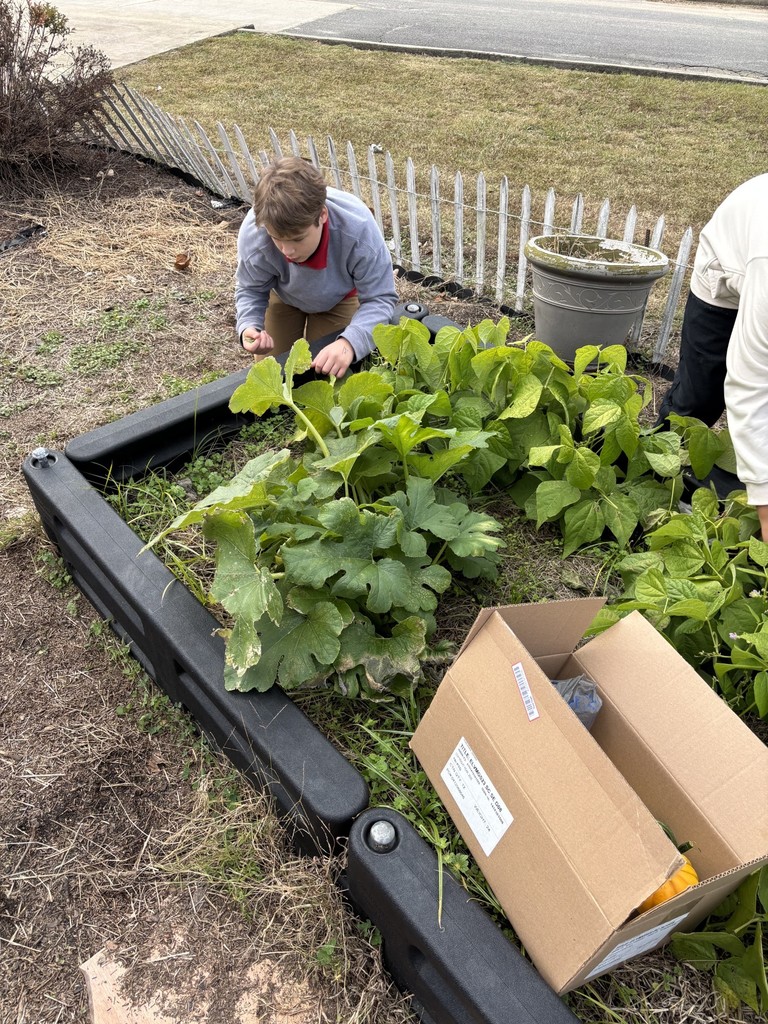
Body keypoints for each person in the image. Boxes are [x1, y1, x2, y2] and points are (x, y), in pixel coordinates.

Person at [657, 173, 768, 541]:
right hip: (727, 267)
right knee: (699, 396)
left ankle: (731, 499)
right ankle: (660, 486)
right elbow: (750, 382)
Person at [235, 156, 398, 378]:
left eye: (297, 239)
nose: (287, 251)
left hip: (339, 298)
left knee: (325, 371)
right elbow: (251, 288)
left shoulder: (359, 231)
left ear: (322, 215)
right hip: (284, 295)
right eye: (277, 239)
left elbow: (380, 299)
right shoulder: (255, 234)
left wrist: (349, 343)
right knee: (271, 371)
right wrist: (248, 326)